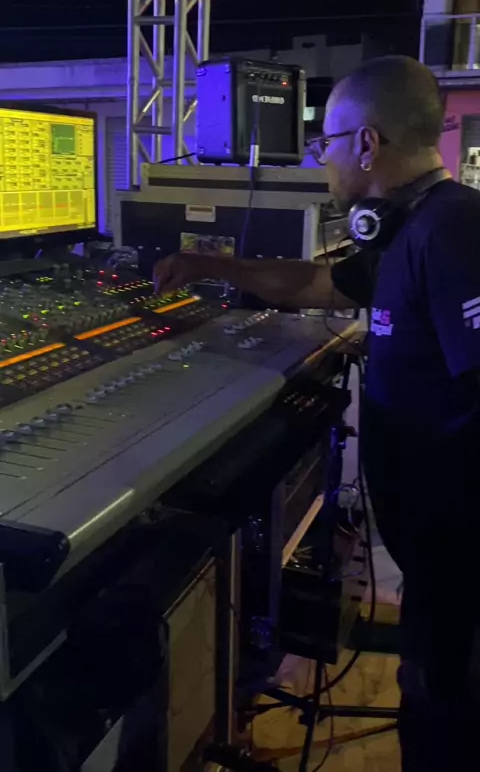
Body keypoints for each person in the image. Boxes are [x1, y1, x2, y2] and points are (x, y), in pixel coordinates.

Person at [154, 56, 480, 771]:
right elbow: (314, 284)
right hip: (437, 546)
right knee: (429, 693)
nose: (319, 157)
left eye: (325, 142)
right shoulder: (407, 230)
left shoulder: (453, 228)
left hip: (461, 550)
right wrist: (212, 267)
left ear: (366, 144)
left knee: (447, 712)